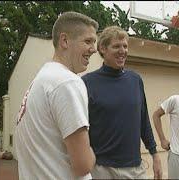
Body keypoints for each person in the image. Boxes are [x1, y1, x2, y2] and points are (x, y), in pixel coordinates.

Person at [14, 11, 99, 180]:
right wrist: (91, 152)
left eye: (94, 42)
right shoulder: (67, 82)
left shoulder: (43, 79)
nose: (94, 49)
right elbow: (83, 165)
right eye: (88, 41)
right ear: (65, 41)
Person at [81, 26, 162, 179]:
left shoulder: (135, 80)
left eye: (125, 46)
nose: (122, 51)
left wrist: (155, 154)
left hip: (135, 169)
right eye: (116, 46)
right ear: (103, 49)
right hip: (101, 169)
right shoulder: (86, 83)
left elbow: (143, 121)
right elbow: (80, 128)